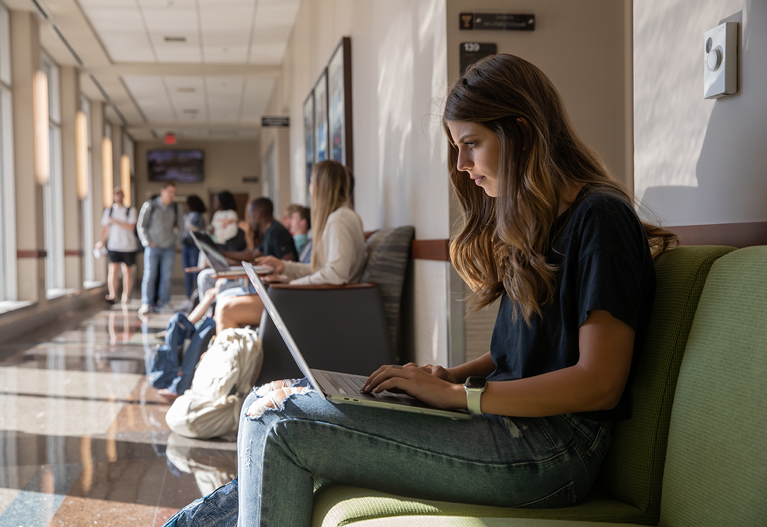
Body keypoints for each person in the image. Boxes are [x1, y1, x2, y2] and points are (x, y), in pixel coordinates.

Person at [165, 55, 677, 526]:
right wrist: (446, 376)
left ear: (521, 132)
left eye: (470, 144)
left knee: (278, 421)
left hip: (550, 450)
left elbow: (598, 382)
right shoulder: (540, 225)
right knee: (270, 403)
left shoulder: (600, 219)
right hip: (513, 429)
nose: (461, 165)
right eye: (457, 149)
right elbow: (519, 357)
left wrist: (457, 396)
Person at [214, 160, 365, 332]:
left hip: (324, 303)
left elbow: (335, 275)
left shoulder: (340, 220)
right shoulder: (341, 218)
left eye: (311, 182)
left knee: (225, 309)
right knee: (227, 305)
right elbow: (324, 270)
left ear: (320, 186)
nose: (310, 188)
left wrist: (290, 285)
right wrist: (285, 267)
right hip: (323, 297)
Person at [195, 197, 297, 300]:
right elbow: (254, 254)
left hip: (274, 287)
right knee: (214, 283)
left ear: (257, 214)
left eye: (250, 216)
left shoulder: (277, 231)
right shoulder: (269, 231)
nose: (249, 220)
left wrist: (222, 253)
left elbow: (288, 261)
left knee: (221, 290)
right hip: (263, 282)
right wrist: (225, 256)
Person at [137, 181, 184, 315]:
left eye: (174, 192)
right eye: (169, 192)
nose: (172, 195)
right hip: (153, 247)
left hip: (169, 247)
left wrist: (176, 241)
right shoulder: (150, 206)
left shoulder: (176, 207)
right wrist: (147, 241)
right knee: (150, 275)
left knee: (166, 276)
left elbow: (181, 226)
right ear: (162, 191)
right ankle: (146, 303)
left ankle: (165, 302)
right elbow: (141, 225)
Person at [95, 187, 137, 304]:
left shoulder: (130, 210)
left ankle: (126, 295)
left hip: (128, 245)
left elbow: (131, 226)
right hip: (114, 245)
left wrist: (115, 221)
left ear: (123, 196)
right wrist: (102, 241)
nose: (118, 197)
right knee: (113, 270)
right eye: (116, 195)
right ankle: (113, 295)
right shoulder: (109, 211)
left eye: (120, 195)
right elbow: (105, 228)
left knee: (127, 271)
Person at [181, 195, 207, 300]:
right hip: (185, 245)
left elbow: (201, 231)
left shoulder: (199, 217)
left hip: (194, 246)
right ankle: (188, 297)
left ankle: (199, 296)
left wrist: (193, 228)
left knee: (195, 272)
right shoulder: (186, 216)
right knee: (187, 272)